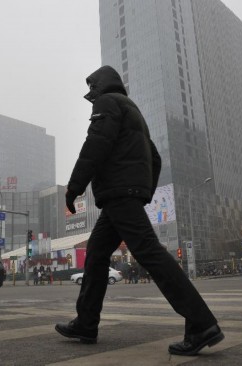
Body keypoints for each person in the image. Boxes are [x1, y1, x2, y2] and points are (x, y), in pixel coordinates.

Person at [55, 65, 223, 356]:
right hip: (122, 196)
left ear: (101, 86)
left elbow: (95, 144)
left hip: (119, 194)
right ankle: (86, 322)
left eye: (92, 89)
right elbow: (154, 158)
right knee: (96, 253)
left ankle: (202, 323)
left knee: (150, 254)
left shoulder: (108, 103)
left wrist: (74, 187)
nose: (91, 97)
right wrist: (144, 190)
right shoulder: (133, 112)